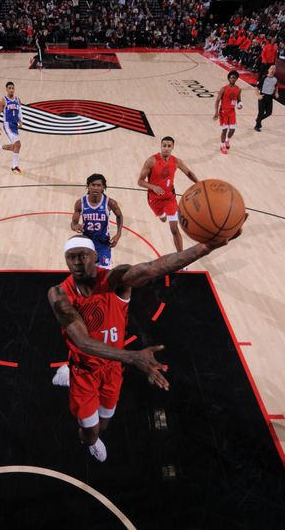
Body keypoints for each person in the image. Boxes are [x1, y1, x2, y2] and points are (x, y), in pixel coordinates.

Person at [48, 223, 246, 461]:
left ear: (95, 256)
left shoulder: (116, 279)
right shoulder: (58, 294)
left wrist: (205, 247)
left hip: (112, 369)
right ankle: (75, 388)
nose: (78, 262)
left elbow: (154, 268)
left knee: (106, 423)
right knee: (91, 433)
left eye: (83, 256)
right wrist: (133, 356)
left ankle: (70, 375)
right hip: (85, 371)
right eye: (71, 257)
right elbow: (82, 341)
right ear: (66, 260)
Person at [137, 136, 198, 252]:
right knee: (163, 219)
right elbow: (140, 181)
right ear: (161, 146)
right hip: (154, 200)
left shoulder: (176, 161)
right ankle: (161, 215)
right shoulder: (152, 161)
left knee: (174, 229)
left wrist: (199, 183)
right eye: (164, 145)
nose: (166, 148)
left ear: (173, 147)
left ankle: (180, 257)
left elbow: (188, 172)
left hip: (169, 198)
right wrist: (153, 187)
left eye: (169, 146)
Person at [70, 173, 123, 269]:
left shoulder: (110, 203)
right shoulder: (80, 203)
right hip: (87, 243)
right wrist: (76, 226)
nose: (95, 188)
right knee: (88, 273)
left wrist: (118, 235)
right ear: (88, 187)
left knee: (104, 273)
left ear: (103, 187)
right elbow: (73, 223)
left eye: (98, 185)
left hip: (103, 244)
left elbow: (119, 216)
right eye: (93, 185)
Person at [0, 81, 23, 174]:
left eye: (13, 88)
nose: (11, 90)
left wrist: (20, 121)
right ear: (6, 89)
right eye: (9, 88)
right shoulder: (3, 100)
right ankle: (14, 166)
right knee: (18, 144)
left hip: (14, 125)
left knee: (14, 147)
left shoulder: (18, 99)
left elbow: (19, 111)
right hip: (7, 125)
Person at [214, 70, 242, 154]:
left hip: (232, 111)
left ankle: (227, 140)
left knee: (233, 129)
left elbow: (239, 99)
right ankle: (222, 146)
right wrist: (216, 112)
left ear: (237, 79)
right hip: (223, 112)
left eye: (235, 78)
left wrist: (240, 104)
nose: (233, 79)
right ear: (229, 78)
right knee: (225, 130)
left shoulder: (238, 89)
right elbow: (217, 101)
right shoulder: (223, 89)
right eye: (232, 77)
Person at [254, 64, 279, 132]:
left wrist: (276, 93)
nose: (272, 70)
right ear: (268, 70)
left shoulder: (275, 79)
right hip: (263, 96)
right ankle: (257, 126)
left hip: (270, 97)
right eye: (271, 69)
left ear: (275, 71)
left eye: (274, 69)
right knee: (261, 112)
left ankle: (258, 119)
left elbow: (276, 86)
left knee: (269, 112)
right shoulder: (264, 78)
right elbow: (256, 88)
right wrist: (258, 95)